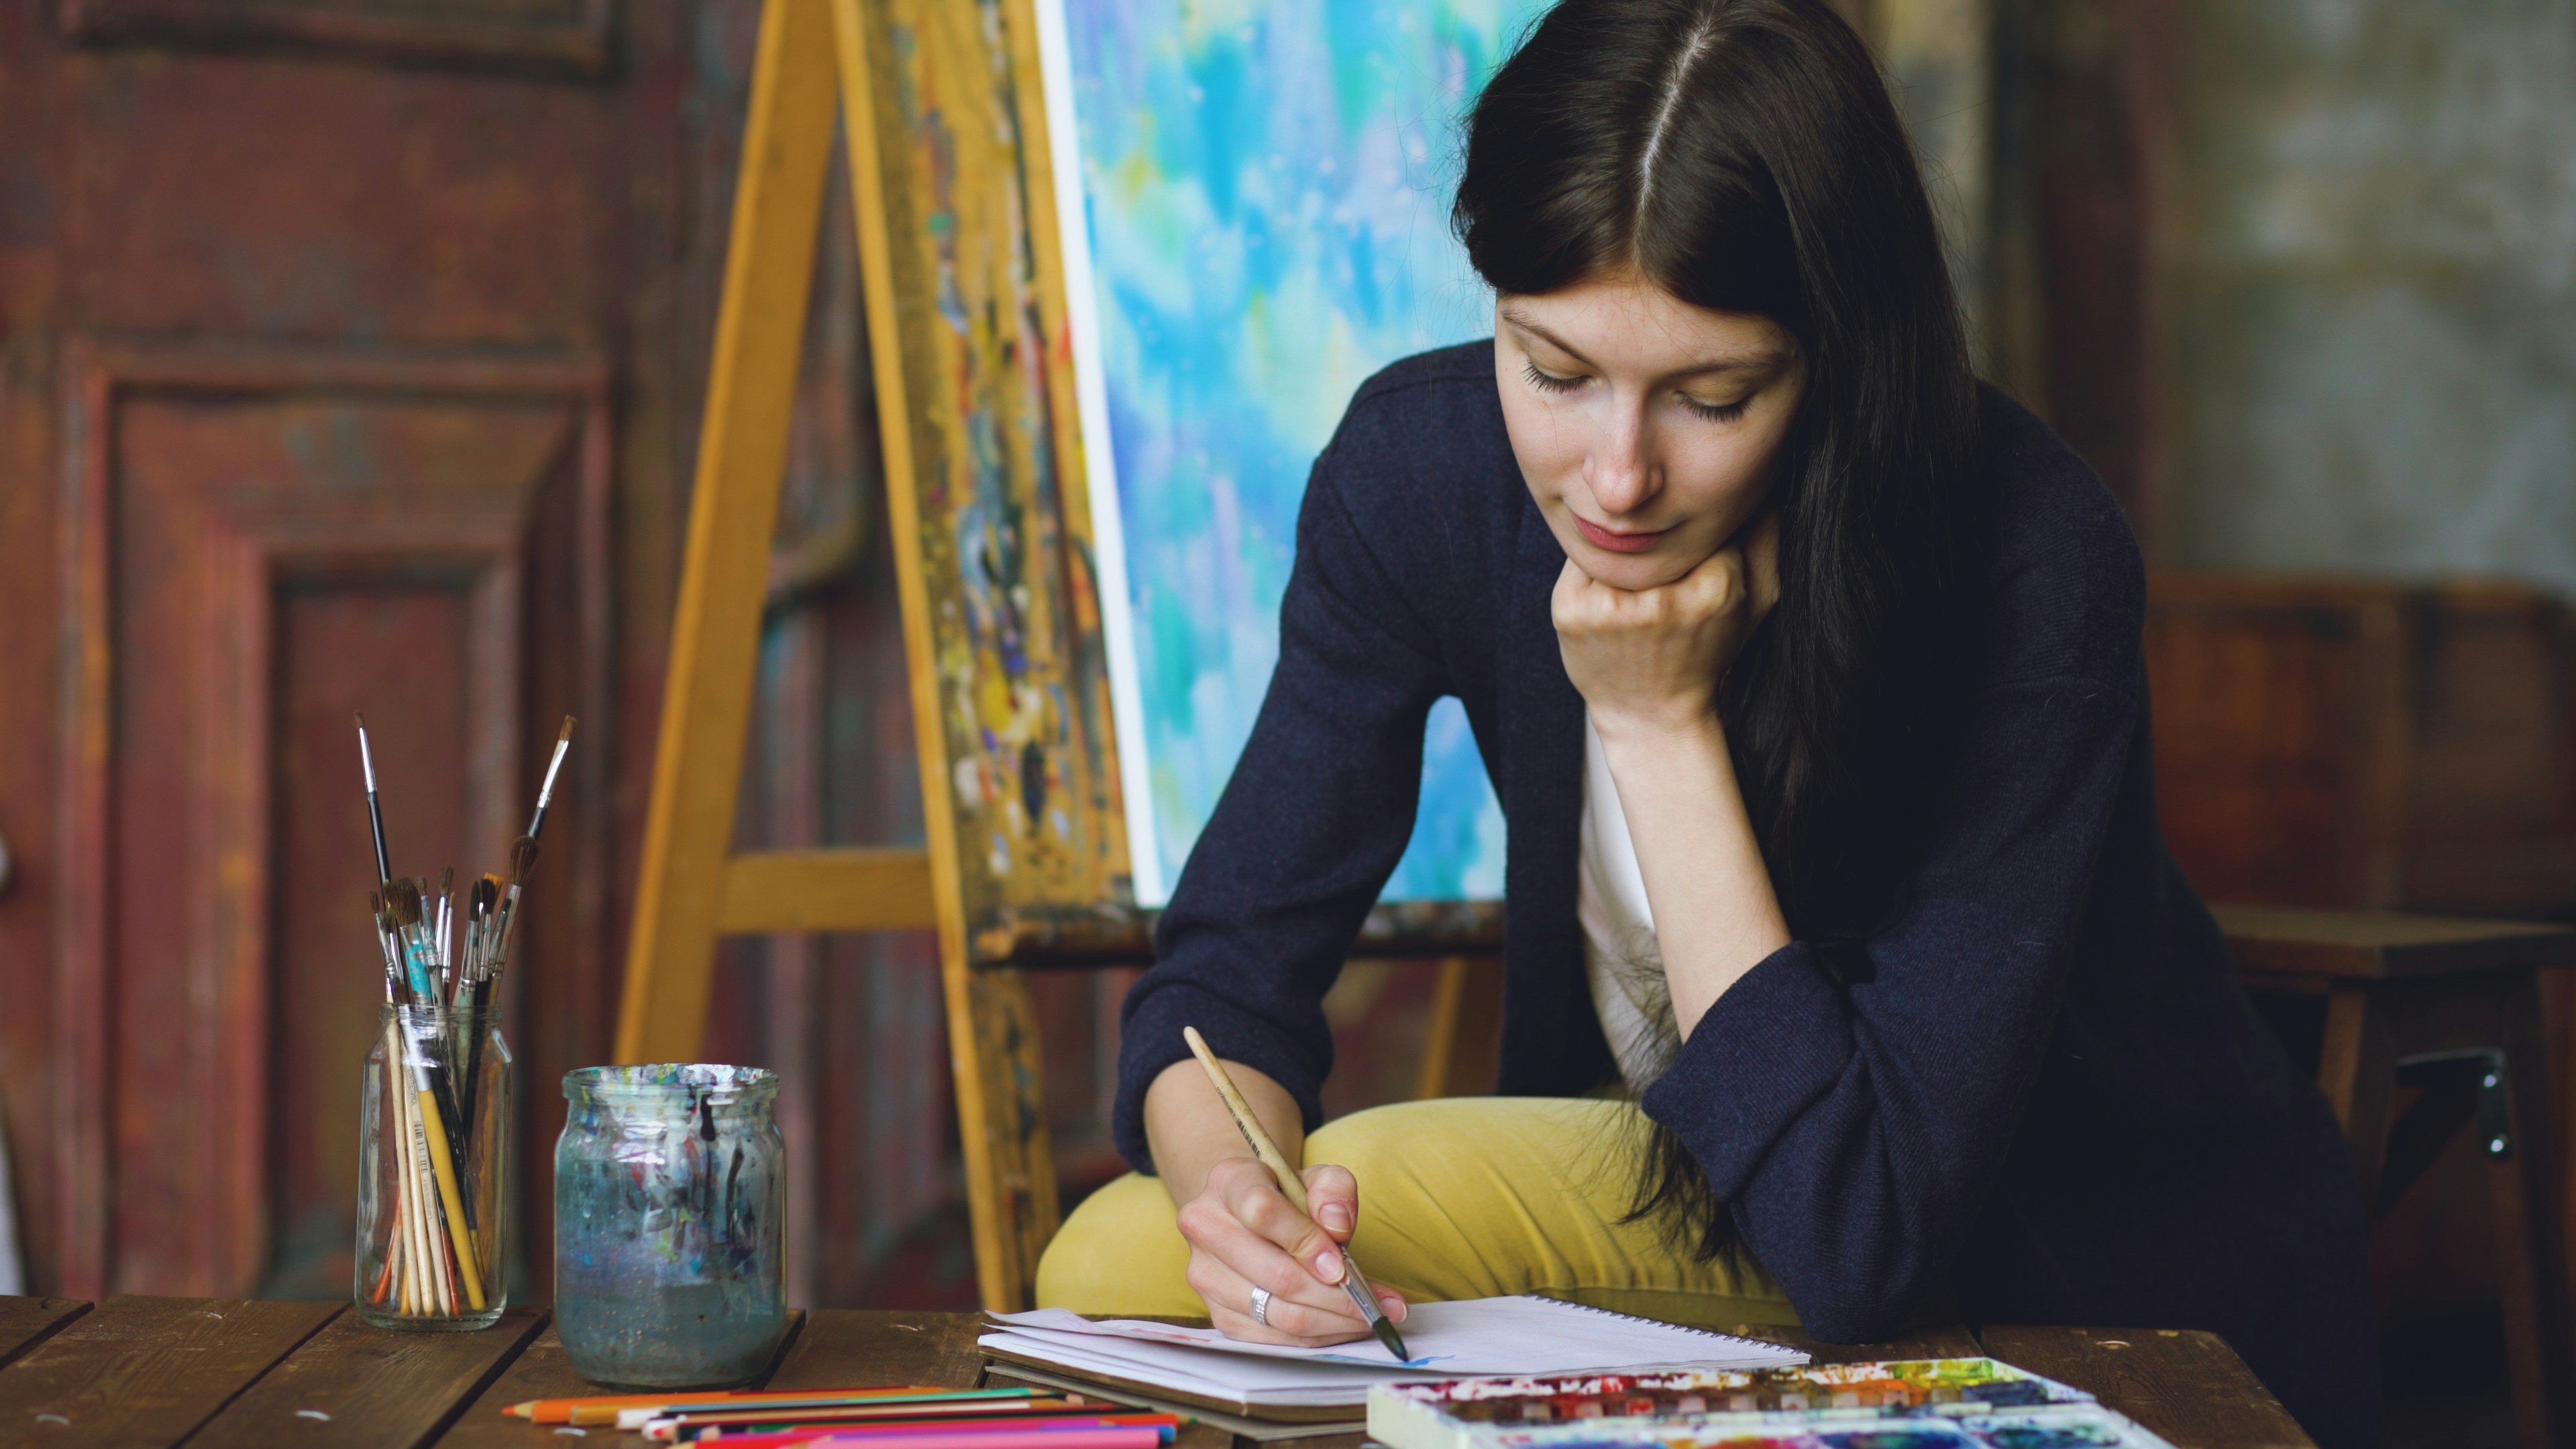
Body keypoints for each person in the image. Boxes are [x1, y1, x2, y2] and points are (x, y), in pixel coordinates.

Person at [1036, 1, 2377, 1445]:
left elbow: (1863, 1231)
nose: (1617, 478)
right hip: (1679, 1194)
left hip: (2042, 1263)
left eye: (1713, 398)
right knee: (1140, 1251)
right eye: (1554, 373)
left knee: (1111, 1261)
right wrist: (1230, 1195)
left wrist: (1659, 722)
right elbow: (1223, 979)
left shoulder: (2025, 551)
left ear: (1833, 359)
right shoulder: (1420, 475)